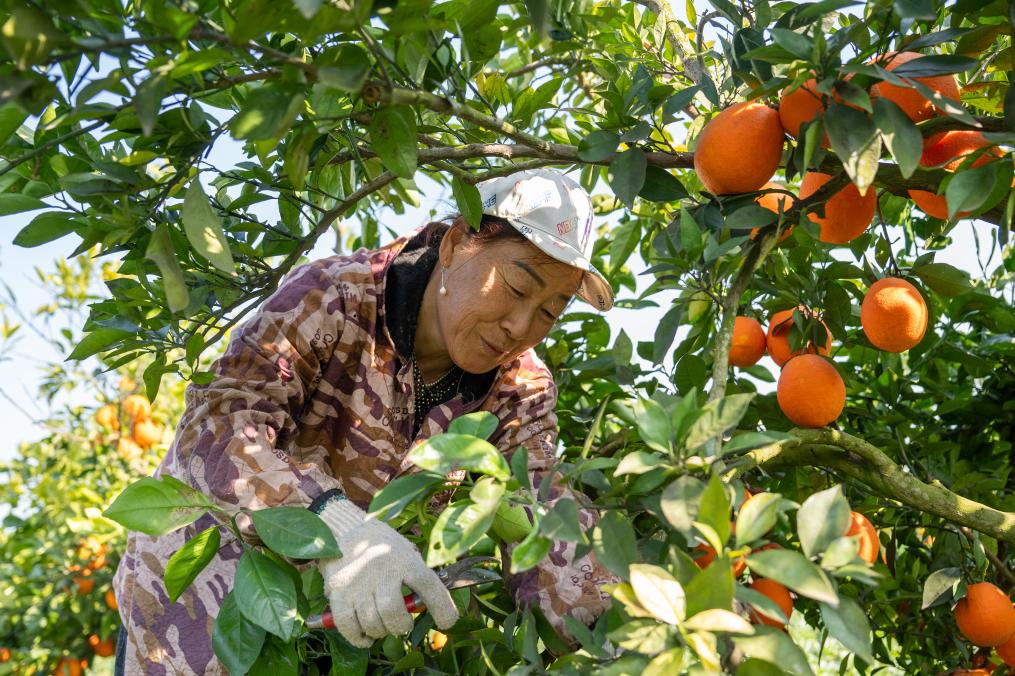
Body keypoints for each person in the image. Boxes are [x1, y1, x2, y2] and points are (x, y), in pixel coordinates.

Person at [111, 168, 618, 674]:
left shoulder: (519, 389)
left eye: (549, 312)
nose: (519, 326)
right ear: (456, 244)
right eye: (516, 287)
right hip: (191, 627)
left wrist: (612, 623)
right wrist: (332, 523)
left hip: (337, 644)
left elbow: (538, 504)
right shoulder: (334, 298)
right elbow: (219, 426)